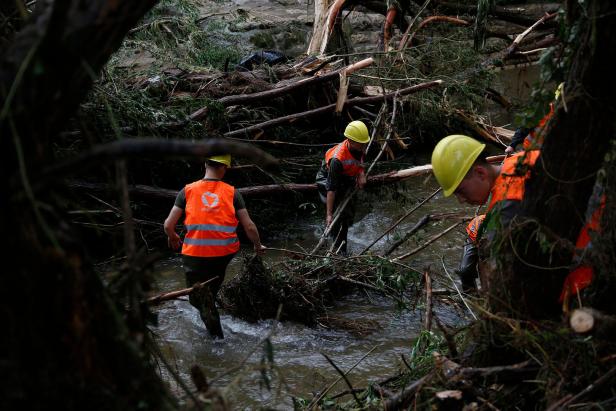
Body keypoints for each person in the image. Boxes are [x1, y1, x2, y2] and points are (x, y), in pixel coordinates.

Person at [164, 154, 265, 339]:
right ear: (224, 168)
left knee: (198, 298)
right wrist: (258, 246)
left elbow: (168, 225)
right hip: (224, 253)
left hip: (194, 254)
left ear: (205, 164)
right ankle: (213, 317)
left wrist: (173, 237)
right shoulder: (232, 192)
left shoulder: (187, 191)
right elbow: (249, 226)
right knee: (210, 291)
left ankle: (217, 339)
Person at [432, 135, 540, 288]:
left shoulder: (507, 200)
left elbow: (500, 264)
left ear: (481, 173)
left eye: (461, 191)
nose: (461, 200)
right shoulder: (518, 160)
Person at [315, 120, 369, 254]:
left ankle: (342, 241)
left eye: (365, 143)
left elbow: (360, 158)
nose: (364, 146)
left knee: (348, 212)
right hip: (328, 177)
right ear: (350, 141)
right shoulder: (337, 160)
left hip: (346, 175)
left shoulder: (360, 145)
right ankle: (338, 252)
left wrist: (361, 172)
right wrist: (329, 214)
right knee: (336, 216)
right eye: (361, 144)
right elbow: (331, 188)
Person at [504, 82, 564, 155]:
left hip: (551, 153)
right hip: (531, 151)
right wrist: (512, 145)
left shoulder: (572, 114)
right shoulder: (541, 110)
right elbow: (523, 128)